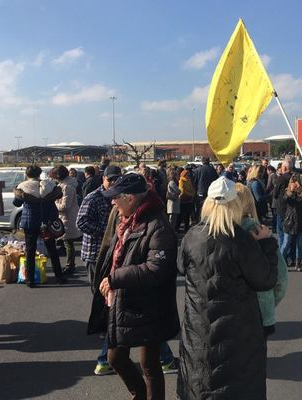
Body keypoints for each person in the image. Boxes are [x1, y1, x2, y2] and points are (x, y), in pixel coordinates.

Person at [177, 177, 278, 399]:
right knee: (236, 387)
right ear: (235, 205)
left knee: (200, 382)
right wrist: (267, 243)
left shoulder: (192, 236)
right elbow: (266, 280)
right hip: (238, 333)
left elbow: (180, 267)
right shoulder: (242, 240)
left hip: (198, 329)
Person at [98, 173, 180, 400]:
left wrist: (116, 277)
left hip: (150, 304)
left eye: (116, 197)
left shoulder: (158, 225)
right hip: (124, 299)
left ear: (131, 198)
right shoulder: (125, 218)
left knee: (150, 364)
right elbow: (115, 252)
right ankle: (139, 394)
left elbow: (156, 268)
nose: (112, 202)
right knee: (115, 358)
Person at [77, 165, 121, 376]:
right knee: (99, 292)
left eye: (116, 179)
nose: (112, 183)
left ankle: (105, 328)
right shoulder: (92, 198)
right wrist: (105, 231)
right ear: (103, 179)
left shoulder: (118, 196)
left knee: (107, 295)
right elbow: (81, 222)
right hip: (95, 253)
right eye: (110, 179)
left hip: (110, 253)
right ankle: (104, 328)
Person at [236, 183, 288, 337]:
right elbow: (281, 279)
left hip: (227, 312)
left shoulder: (218, 231)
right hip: (259, 309)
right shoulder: (258, 231)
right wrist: (269, 304)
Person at [13, 165, 67, 287]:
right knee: (52, 249)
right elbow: (58, 195)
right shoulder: (49, 185)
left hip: (30, 222)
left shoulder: (23, 187)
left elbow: (16, 203)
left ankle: (30, 279)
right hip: (48, 222)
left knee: (30, 251)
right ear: (39, 174)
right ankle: (59, 276)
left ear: (27, 174)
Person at [51, 165, 81, 275]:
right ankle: (70, 265)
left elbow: (65, 206)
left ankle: (70, 266)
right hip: (67, 217)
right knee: (68, 242)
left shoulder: (67, 187)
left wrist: (53, 203)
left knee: (68, 243)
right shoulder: (67, 184)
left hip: (67, 217)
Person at [281, 173, 302, 271]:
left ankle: (298, 263)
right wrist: (290, 191)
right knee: (286, 243)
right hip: (290, 219)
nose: (294, 183)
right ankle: (280, 262)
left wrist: (300, 190)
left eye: (296, 182)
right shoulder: (288, 191)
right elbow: (284, 201)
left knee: (300, 244)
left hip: (301, 219)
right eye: (293, 181)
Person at [178, 168, 195, 232]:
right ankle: (177, 227)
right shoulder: (182, 181)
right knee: (182, 214)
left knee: (188, 214)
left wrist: (193, 193)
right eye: (187, 174)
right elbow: (182, 190)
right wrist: (190, 194)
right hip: (183, 200)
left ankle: (187, 227)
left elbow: (192, 188)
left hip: (189, 200)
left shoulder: (189, 180)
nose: (188, 175)